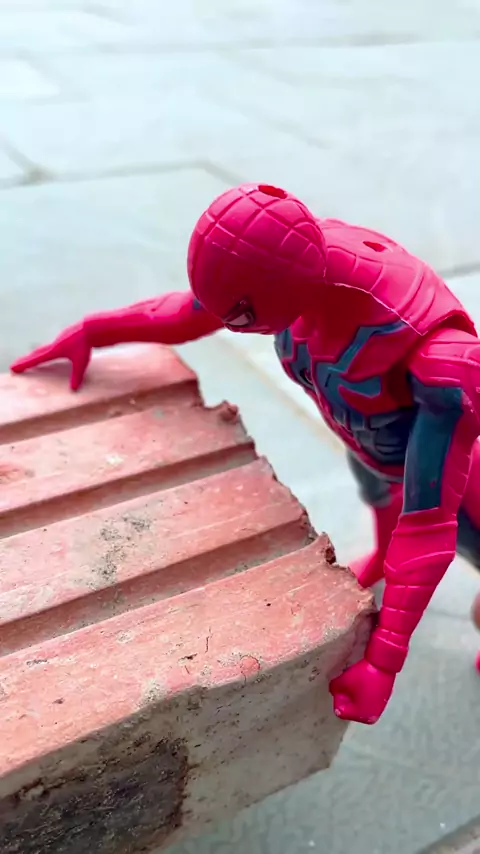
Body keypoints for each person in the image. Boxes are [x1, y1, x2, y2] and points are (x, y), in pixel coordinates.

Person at [11, 182, 480, 725]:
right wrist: (95, 331)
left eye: (238, 315)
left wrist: (384, 659)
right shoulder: (284, 262)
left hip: (452, 475)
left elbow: (428, 524)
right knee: (376, 490)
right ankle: (378, 552)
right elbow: (189, 312)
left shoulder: (441, 361)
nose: (225, 321)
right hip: (370, 440)